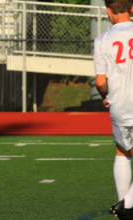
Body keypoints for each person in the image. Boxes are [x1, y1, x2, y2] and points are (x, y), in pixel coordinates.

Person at [94, 0, 133, 219]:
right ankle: (126, 205)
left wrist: (104, 97)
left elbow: (100, 82)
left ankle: (125, 210)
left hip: (118, 103)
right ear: (132, 8)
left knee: (122, 152)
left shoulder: (102, 39)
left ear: (108, 11)